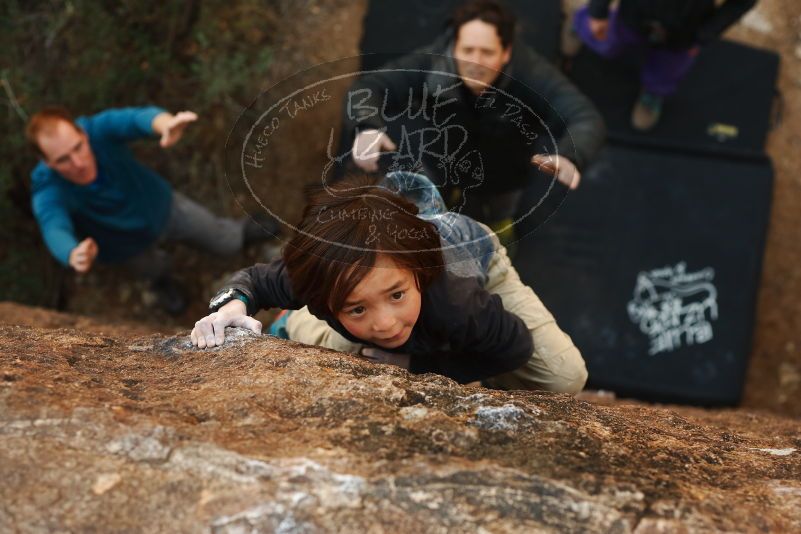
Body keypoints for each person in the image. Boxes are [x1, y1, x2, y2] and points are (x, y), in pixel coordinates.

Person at [192, 171, 588, 394]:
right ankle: (293, 323)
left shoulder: (457, 300)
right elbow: (255, 280)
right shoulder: (327, 274)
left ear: (415, 276)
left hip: (473, 255)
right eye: (357, 307)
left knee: (565, 377)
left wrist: (427, 366)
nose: (383, 324)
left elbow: (514, 347)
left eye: (396, 296)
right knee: (354, 353)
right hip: (397, 262)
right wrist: (231, 306)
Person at [340, 0, 605, 243]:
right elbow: (368, 88)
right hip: (440, 161)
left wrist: (572, 153)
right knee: (431, 213)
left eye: (487, 52)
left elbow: (584, 116)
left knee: (493, 226)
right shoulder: (432, 63)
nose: (474, 63)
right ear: (455, 46)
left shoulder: (532, 75)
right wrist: (366, 126)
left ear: (506, 52)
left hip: (501, 178)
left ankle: (498, 239)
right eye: (467, 50)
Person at [27, 106, 279, 314]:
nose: (78, 162)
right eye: (63, 160)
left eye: (78, 147)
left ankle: (239, 235)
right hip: (124, 246)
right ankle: (164, 284)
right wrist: (72, 253)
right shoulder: (48, 187)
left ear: (82, 134)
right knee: (152, 269)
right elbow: (53, 224)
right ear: (46, 162)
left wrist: (164, 124)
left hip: (161, 205)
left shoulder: (97, 131)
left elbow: (134, 119)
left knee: (217, 236)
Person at [570, 0, 756, 130]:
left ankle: (653, 93)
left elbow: (741, 2)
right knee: (606, 40)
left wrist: (704, 35)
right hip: (634, 14)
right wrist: (597, 11)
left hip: (686, 30)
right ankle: (581, 24)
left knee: (666, 71)